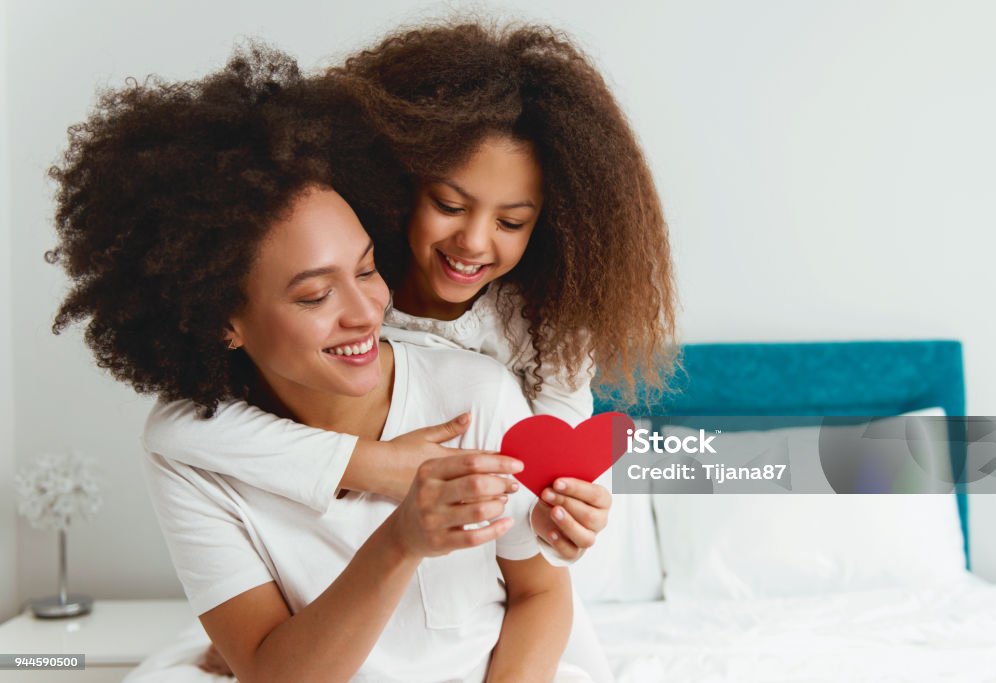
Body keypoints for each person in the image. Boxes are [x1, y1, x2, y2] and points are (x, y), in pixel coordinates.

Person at [146, 21, 680, 682]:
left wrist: (555, 519)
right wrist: (378, 467)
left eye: (512, 221)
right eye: (450, 204)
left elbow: (551, 479)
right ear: (396, 187)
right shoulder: (357, 283)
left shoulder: (532, 343)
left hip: (487, 605)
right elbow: (176, 432)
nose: (476, 243)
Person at [49, 47, 586, 682]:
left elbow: (541, 592)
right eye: (314, 295)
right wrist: (399, 538)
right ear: (222, 320)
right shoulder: (195, 457)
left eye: (366, 269)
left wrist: (571, 505)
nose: (365, 314)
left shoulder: (479, 389)